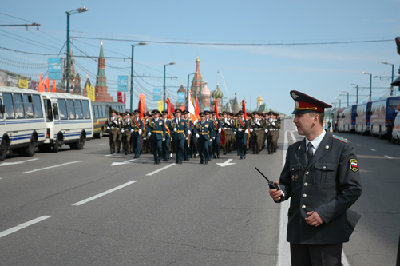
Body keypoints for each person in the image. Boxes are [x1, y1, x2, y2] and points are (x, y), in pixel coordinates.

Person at [269, 90, 362, 266]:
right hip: (299, 232)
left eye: (299, 115)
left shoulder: (342, 148)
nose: (295, 120)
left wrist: (323, 214)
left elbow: (353, 189)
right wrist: (280, 191)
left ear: (315, 118)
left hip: (326, 232)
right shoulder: (294, 150)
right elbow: (286, 183)